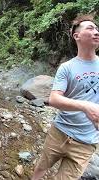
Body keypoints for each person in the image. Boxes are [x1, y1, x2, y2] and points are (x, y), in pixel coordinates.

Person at [32, 14, 99, 180]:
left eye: (97, 28)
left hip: (86, 141)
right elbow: (54, 99)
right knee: (41, 168)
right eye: (90, 28)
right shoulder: (67, 68)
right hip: (60, 131)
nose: (96, 32)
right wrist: (85, 106)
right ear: (76, 36)